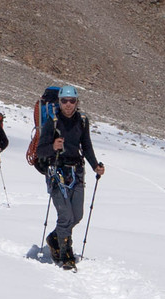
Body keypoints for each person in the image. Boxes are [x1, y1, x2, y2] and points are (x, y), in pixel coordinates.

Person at [26, 83, 106, 265]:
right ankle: (65, 253)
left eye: (72, 101)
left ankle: (55, 238)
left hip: (76, 172)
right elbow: (40, 151)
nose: (68, 104)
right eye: (64, 101)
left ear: (77, 102)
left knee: (77, 215)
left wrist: (95, 166)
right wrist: (53, 147)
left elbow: (86, 146)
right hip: (56, 172)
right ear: (59, 102)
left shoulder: (82, 121)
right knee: (65, 216)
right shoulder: (52, 122)